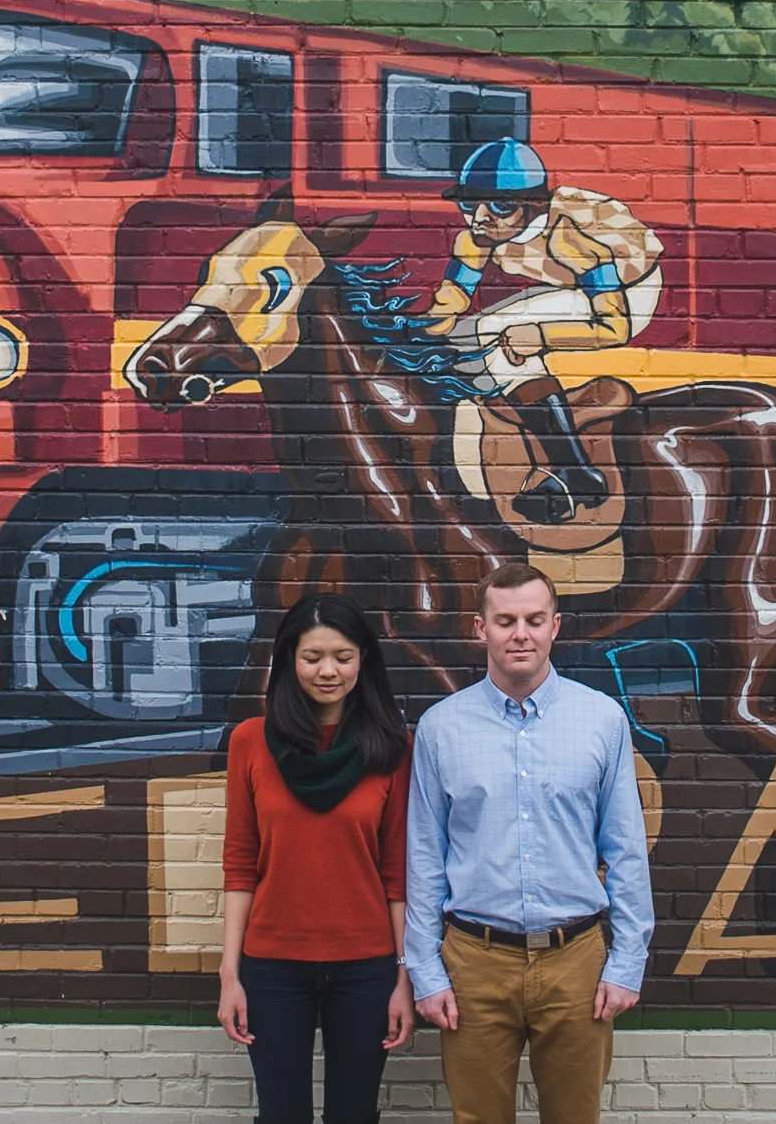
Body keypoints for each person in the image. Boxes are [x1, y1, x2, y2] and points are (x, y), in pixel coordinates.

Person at [404, 564, 653, 1124]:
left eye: (534, 620)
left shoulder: (601, 720)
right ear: (480, 627)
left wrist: (627, 961)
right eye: (506, 620)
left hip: (576, 961)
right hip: (473, 962)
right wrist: (425, 968)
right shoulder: (441, 728)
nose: (521, 634)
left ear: (555, 626)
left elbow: (626, 850)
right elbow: (424, 858)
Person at [220, 594, 417, 1124]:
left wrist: (404, 976)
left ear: (363, 661)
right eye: (312, 657)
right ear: (289, 660)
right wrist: (229, 973)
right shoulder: (250, 742)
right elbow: (241, 863)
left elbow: (397, 873)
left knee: (354, 1115)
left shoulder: (392, 748)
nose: (328, 670)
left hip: (366, 968)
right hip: (271, 969)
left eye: (343, 656)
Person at [420, 138, 664, 526]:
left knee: (494, 331)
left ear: (534, 205)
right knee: (467, 334)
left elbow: (614, 327)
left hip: (626, 293)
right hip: (568, 287)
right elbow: (454, 299)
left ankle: (577, 472)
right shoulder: (476, 235)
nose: (482, 217)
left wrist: (540, 335)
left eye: (500, 206)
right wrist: (426, 327)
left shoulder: (570, 241)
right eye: (470, 204)